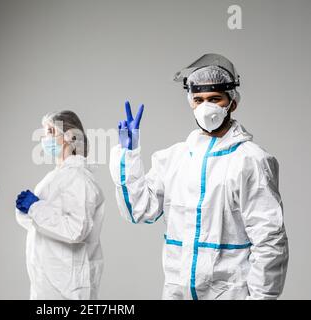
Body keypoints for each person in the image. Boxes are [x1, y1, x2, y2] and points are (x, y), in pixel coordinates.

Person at [109, 53, 289, 300]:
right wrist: (128, 155)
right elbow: (138, 210)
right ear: (191, 103)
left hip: (230, 294)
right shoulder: (174, 158)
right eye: (199, 99)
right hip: (177, 293)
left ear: (232, 103)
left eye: (215, 99)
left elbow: (270, 241)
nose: (207, 107)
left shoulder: (251, 161)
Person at [15, 110, 105, 300]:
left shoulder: (79, 178)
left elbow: (76, 230)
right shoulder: (57, 176)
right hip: (48, 282)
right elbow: (40, 225)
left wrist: (35, 207)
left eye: (50, 131)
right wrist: (25, 210)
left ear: (70, 137)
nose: (44, 138)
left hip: (68, 286)